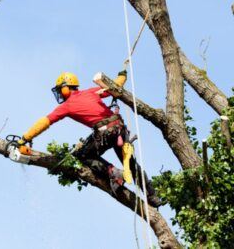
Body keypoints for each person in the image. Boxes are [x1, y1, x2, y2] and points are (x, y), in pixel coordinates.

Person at [17, 71, 161, 207]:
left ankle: (113, 172)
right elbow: (115, 85)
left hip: (105, 132)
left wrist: (25, 138)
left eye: (61, 89)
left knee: (83, 155)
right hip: (120, 129)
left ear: (66, 88)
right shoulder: (91, 92)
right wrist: (122, 75)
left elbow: (46, 121)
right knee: (130, 164)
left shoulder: (67, 106)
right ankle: (152, 196)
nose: (60, 93)